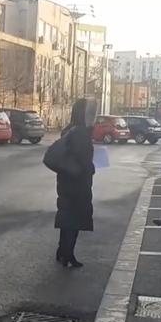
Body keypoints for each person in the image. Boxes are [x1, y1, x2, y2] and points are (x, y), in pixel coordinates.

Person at [54, 99, 96, 268]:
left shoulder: (69, 130)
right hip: (77, 183)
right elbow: (83, 160)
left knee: (67, 219)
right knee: (74, 220)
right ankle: (67, 254)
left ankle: (62, 252)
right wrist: (91, 167)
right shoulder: (80, 133)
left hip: (65, 182)